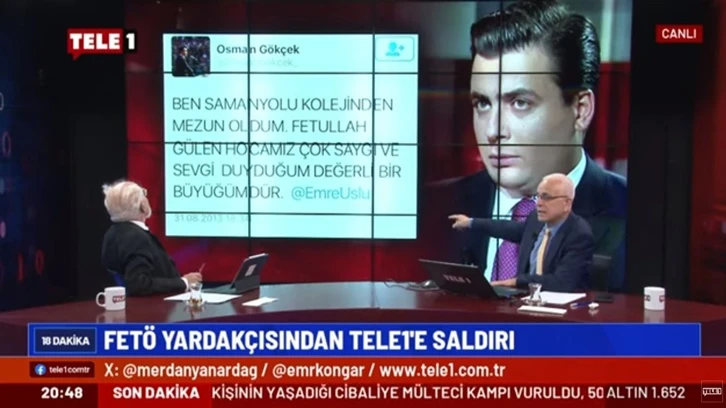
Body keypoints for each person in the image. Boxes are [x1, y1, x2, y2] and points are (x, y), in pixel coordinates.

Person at [442, 0, 626, 291]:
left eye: (520, 103)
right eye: (483, 103)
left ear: (580, 110)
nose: (493, 131)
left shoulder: (634, 214)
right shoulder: (439, 205)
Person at [450, 174, 594, 292]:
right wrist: (471, 222)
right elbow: (509, 229)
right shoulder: (536, 220)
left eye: (546, 197)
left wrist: (516, 282)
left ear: (566, 203)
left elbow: (561, 282)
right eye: (538, 196)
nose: (539, 203)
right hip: (525, 299)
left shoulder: (579, 234)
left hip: (562, 307)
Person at [100, 180, 201, 296]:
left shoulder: (113, 233)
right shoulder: (136, 238)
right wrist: (184, 282)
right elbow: (139, 284)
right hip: (153, 306)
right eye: (144, 195)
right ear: (142, 206)